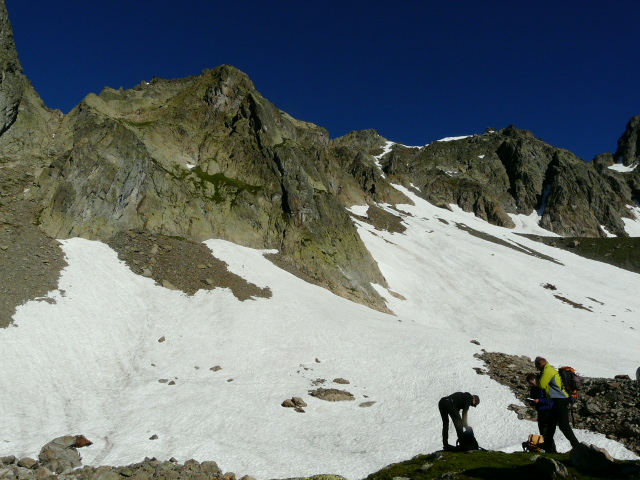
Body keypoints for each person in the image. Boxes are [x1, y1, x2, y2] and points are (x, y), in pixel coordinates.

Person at [534, 356, 580, 452]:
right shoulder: (549, 369)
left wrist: (538, 378)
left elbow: (542, 385)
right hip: (555, 400)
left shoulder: (548, 370)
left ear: (540, 364)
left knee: (563, 425)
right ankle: (547, 445)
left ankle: (577, 446)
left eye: (537, 366)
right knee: (551, 424)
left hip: (560, 399)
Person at [526, 372, 553, 437]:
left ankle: (549, 444)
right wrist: (531, 402)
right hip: (540, 410)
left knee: (546, 430)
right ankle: (545, 443)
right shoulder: (533, 388)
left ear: (535, 380)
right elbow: (533, 397)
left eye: (532, 383)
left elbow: (550, 399)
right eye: (530, 384)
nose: (531, 385)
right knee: (542, 429)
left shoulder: (544, 386)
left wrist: (539, 400)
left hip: (547, 409)